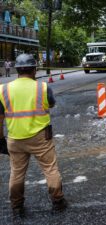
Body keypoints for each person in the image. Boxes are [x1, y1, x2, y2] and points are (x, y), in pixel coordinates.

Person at [0, 54, 67, 219]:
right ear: (34, 70)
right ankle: (58, 202)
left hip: (15, 138)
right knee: (50, 169)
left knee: (16, 172)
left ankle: (17, 207)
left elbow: (0, 117)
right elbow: (50, 103)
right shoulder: (43, 87)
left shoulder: (3, 89)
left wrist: (1, 139)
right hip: (40, 137)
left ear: (17, 69)